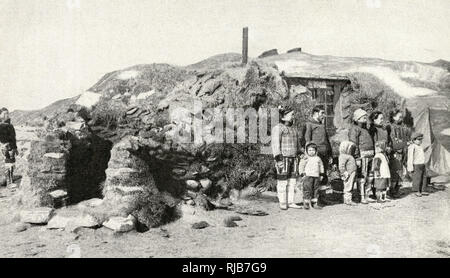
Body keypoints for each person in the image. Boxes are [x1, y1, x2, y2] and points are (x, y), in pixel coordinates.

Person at [271, 105, 302, 210]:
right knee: (282, 181)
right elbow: (275, 145)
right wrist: (278, 159)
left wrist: (300, 153)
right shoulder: (278, 128)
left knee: (292, 181)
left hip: (294, 158)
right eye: (291, 115)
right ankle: (283, 202)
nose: (293, 116)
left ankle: (291, 201)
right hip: (283, 158)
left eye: (293, 114)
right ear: (283, 117)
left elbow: (298, 144)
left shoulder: (294, 129)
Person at [348, 108, 375, 204]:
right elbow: (353, 144)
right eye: (363, 117)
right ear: (357, 119)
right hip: (362, 156)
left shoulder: (365, 129)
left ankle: (367, 194)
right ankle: (361, 196)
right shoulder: (354, 129)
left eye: (365, 117)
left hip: (370, 156)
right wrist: (357, 157)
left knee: (370, 176)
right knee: (362, 176)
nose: (365, 118)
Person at [389, 109, 412, 198]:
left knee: (401, 172)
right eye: (399, 117)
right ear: (394, 117)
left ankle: (397, 190)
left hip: (402, 153)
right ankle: (392, 191)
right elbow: (393, 142)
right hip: (395, 153)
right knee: (395, 172)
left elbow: (405, 139)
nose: (401, 119)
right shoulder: (391, 127)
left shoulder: (402, 128)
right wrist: (404, 143)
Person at [298, 142, 324, 209]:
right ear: (306, 151)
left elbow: (321, 166)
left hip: (316, 176)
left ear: (316, 151)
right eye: (309, 150)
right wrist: (302, 174)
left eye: (313, 150)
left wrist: (321, 174)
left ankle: (314, 203)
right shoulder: (305, 158)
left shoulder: (318, 158)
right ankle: (306, 202)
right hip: (308, 176)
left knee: (316, 190)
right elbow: (301, 166)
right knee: (307, 189)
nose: (311, 152)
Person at [0, 108, 18, 187]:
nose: (6, 115)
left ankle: (11, 180)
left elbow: (13, 138)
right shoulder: (0, 126)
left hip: (12, 147)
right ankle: (8, 182)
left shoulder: (11, 126)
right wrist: (2, 144)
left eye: (7, 113)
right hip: (5, 147)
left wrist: (15, 148)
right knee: (7, 163)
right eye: (4, 114)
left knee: (12, 163)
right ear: (0, 115)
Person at [407, 132, 429, 197]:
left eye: (421, 139)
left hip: (422, 164)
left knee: (424, 177)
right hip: (416, 164)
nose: (420, 141)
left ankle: (423, 189)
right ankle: (416, 190)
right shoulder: (412, 147)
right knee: (417, 178)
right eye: (419, 139)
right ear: (413, 140)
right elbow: (410, 157)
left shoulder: (420, 147)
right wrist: (410, 167)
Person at [338, 141, 358, 206]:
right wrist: (344, 172)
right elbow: (341, 165)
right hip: (348, 173)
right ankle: (347, 199)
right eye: (350, 149)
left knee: (350, 185)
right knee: (348, 186)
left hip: (352, 172)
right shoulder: (343, 156)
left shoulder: (349, 156)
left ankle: (348, 199)